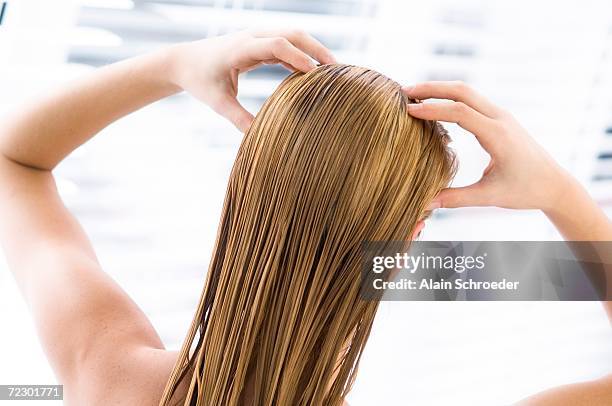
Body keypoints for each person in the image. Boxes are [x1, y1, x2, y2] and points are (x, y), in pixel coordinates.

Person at [0, 29, 609, 405]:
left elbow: (15, 160)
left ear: (244, 192)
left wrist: (176, 65)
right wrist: (558, 192)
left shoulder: (108, 375)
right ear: (407, 247)